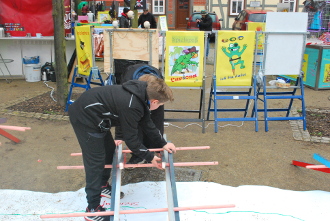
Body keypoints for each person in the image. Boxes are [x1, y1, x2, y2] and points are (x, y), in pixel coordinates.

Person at [68, 77, 176, 221]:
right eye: (161, 104)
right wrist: (150, 157)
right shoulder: (132, 105)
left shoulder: (141, 94)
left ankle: (101, 185)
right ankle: (93, 209)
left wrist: (162, 143)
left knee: (109, 150)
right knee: (95, 162)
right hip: (85, 118)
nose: (159, 107)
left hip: (98, 116)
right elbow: (131, 140)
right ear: (154, 102)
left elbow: (147, 123)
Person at [120, 64, 165, 165]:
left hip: (155, 96)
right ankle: (138, 155)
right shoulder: (128, 82)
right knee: (135, 121)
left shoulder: (158, 84)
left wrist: (161, 143)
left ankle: (154, 150)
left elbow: (156, 120)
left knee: (157, 119)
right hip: (133, 96)